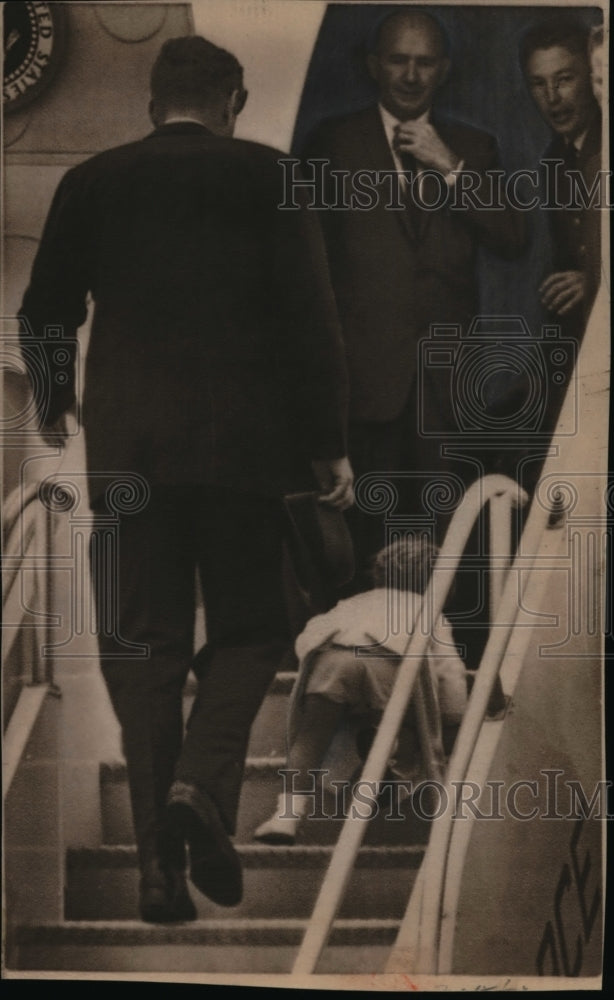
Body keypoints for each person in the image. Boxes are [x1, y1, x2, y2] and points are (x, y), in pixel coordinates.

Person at [18, 36, 354, 922]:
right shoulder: (271, 178)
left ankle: (156, 871)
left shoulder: (93, 180)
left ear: (152, 103)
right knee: (252, 630)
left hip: (131, 458)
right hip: (250, 457)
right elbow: (313, 322)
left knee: (145, 649)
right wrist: (328, 447)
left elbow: (43, 309)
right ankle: (200, 792)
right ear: (234, 100)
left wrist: (53, 399)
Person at [300, 8, 527, 581]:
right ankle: (358, 667)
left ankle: (435, 670)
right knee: (357, 557)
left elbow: (513, 238)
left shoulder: (473, 147)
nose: (410, 74)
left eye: (425, 62)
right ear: (375, 65)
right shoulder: (330, 143)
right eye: (398, 60)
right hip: (361, 391)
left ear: (444, 70)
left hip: (447, 395)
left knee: (443, 555)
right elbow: (304, 266)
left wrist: (448, 166)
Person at [253, 535, 468, 845]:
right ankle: (390, 766)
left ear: (379, 576)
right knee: (410, 725)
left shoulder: (354, 603)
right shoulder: (429, 612)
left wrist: (314, 662)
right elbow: (449, 671)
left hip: (334, 656)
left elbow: (314, 631)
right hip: (390, 663)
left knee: (312, 736)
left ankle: (287, 816)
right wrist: (453, 716)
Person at [520, 15, 602, 334]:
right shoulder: (555, 159)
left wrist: (593, 279)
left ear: (594, 77)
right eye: (539, 84)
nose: (552, 98)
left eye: (564, 79)